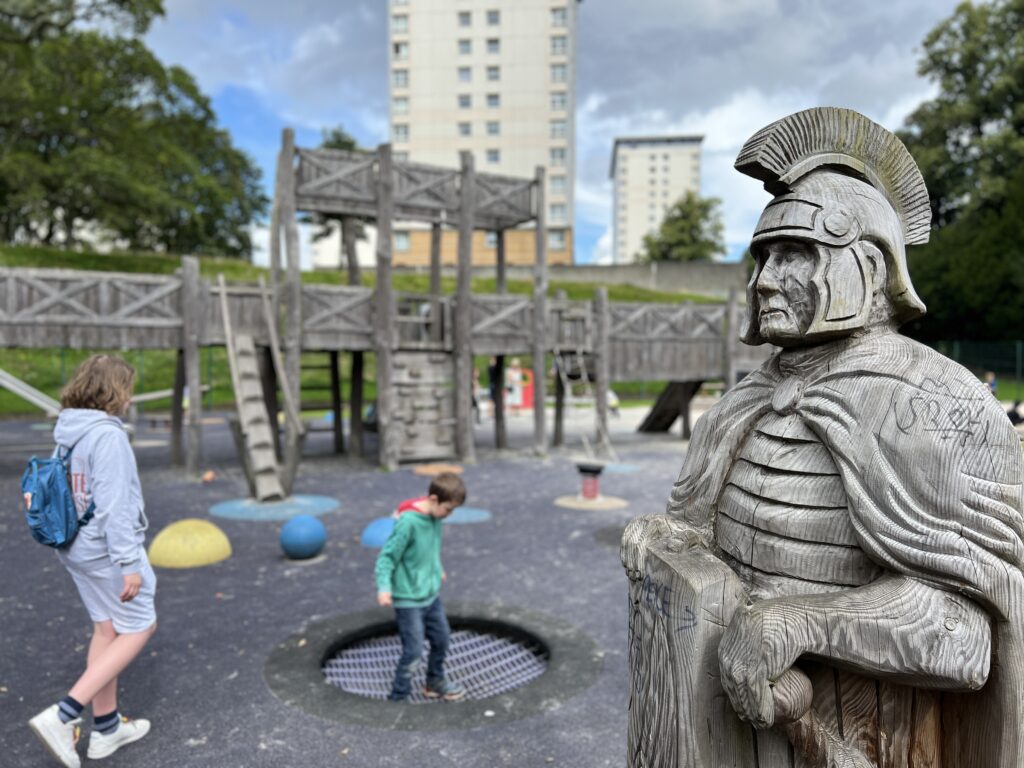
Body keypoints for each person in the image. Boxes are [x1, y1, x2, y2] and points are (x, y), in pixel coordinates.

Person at [622, 108, 1024, 765]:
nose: (765, 281)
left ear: (867, 266)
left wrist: (803, 620)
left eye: (796, 254)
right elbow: (701, 533)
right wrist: (675, 543)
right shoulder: (747, 397)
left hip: (869, 735)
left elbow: (964, 636)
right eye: (763, 257)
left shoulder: (936, 402)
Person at [29, 355, 157, 768]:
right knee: (140, 626)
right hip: (106, 550)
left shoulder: (67, 430)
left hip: (75, 546)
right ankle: (64, 715)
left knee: (107, 628)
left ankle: (106, 730)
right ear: (117, 391)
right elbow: (114, 506)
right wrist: (129, 563)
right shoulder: (108, 437)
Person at [374, 472, 467, 702]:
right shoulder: (408, 523)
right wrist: (384, 586)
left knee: (442, 639)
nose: (449, 515)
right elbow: (387, 557)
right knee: (413, 650)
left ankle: (434, 682)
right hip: (408, 599)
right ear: (434, 499)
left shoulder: (436, 517)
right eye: (448, 509)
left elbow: (430, 548)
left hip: (430, 596)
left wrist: (437, 568)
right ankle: (398, 696)